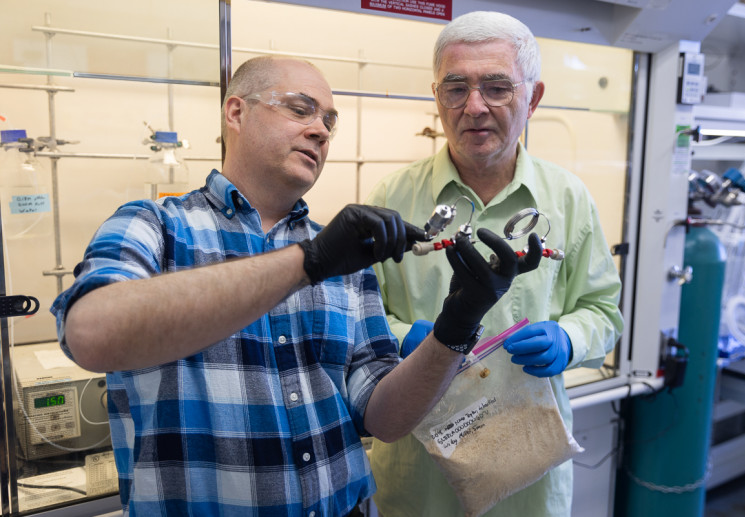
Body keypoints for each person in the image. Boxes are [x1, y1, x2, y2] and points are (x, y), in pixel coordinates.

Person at [50, 55, 541, 517]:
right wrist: (308, 262)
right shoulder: (154, 225)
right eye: (300, 109)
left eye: (329, 121)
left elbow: (384, 419)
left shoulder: (343, 255)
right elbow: (90, 334)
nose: (320, 131)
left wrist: (455, 326)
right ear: (236, 113)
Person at [366, 11, 624, 517]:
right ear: (437, 96)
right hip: (420, 478)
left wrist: (568, 339)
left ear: (534, 97)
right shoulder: (391, 199)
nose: (474, 107)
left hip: (527, 476)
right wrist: (402, 341)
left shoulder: (567, 198)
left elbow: (604, 311)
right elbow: (358, 319)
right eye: (456, 88)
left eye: (497, 87)